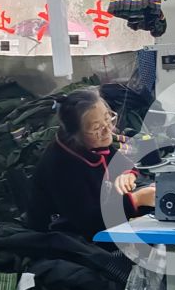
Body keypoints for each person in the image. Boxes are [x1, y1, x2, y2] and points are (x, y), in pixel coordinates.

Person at [27, 87, 156, 239]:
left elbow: (123, 165)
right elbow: (89, 222)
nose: (108, 130)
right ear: (75, 133)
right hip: (65, 240)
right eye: (96, 128)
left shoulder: (93, 143)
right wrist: (136, 200)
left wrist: (128, 175)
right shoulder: (61, 165)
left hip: (96, 226)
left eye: (108, 119)